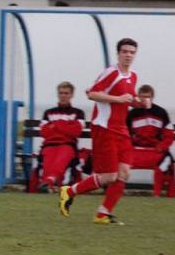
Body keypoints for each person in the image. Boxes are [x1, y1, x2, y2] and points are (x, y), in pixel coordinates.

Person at [59, 38, 141, 225]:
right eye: (125, 51)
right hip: (105, 128)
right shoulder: (112, 72)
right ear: (118, 53)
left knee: (124, 172)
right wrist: (118, 99)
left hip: (121, 129)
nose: (128, 55)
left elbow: (128, 97)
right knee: (109, 177)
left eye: (132, 52)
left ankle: (103, 213)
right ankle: (69, 191)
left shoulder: (133, 75)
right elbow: (92, 93)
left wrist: (139, 102)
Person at [28, 82, 85, 193]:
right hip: (49, 145)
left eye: (66, 93)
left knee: (61, 158)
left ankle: (49, 181)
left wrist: (56, 125)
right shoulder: (48, 113)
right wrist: (66, 125)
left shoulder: (78, 113)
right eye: (61, 93)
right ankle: (49, 183)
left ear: (71, 95)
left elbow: (76, 131)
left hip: (68, 145)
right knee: (48, 160)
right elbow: (44, 132)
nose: (63, 95)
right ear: (58, 94)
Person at [127, 84, 175, 197]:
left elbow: (169, 135)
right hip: (135, 151)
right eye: (142, 97)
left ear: (152, 97)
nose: (145, 99)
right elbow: (124, 135)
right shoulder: (131, 113)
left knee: (169, 163)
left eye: (148, 97)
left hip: (156, 151)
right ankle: (114, 191)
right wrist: (127, 147)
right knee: (117, 160)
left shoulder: (161, 112)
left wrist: (161, 147)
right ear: (138, 97)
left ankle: (159, 195)